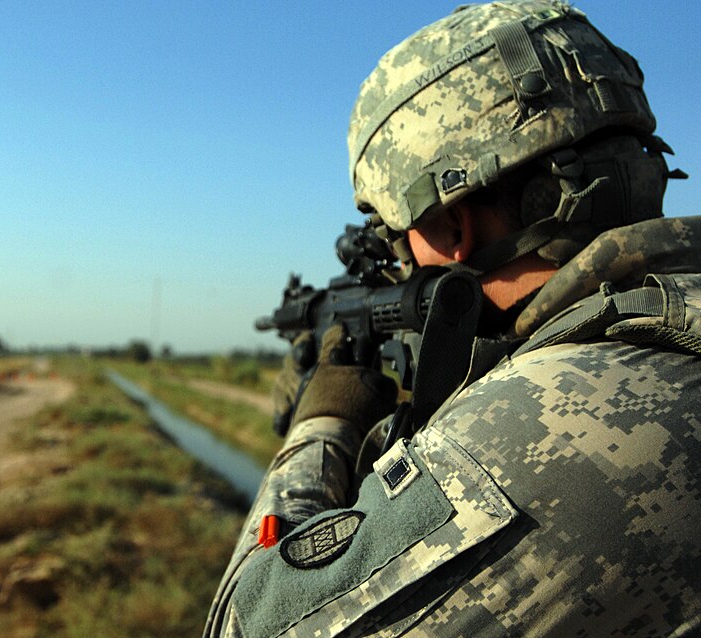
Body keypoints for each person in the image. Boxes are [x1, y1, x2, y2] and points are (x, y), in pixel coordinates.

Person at [203, 1, 701, 636]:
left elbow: (248, 625)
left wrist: (321, 426)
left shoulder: (539, 430)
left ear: (450, 225)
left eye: (399, 234)